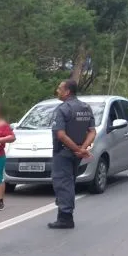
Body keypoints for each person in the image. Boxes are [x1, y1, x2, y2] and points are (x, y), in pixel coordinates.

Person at [49, 79, 96, 229]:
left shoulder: (63, 109)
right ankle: (64, 215)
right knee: (69, 182)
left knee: (63, 183)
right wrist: (82, 148)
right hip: (76, 155)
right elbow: (92, 131)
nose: (57, 91)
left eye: (59, 88)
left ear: (67, 91)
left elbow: (61, 135)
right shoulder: (86, 108)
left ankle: (65, 217)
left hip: (63, 152)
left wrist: (77, 149)